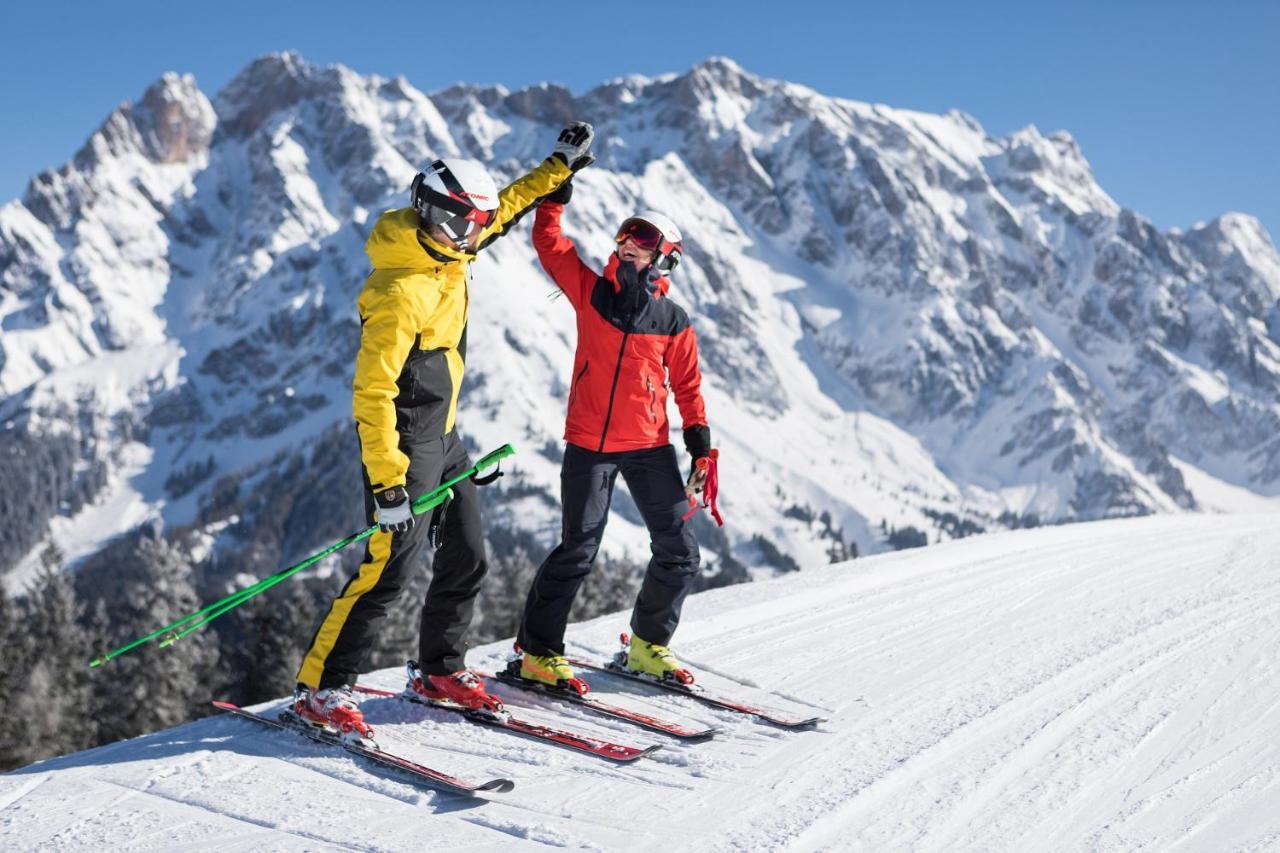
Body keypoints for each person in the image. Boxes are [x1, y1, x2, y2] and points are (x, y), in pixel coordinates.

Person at [292, 122, 596, 737]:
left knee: (468, 555)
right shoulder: (400, 288)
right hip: (402, 444)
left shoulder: (451, 248)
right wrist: (387, 486)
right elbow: (371, 393)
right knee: (390, 570)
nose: (472, 236)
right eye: (462, 223)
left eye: (476, 225)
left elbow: (507, 205)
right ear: (428, 211)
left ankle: (440, 667)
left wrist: (557, 168)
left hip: (445, 433)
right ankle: (321, 690)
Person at [515, 175, 715, 695]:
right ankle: (537, 653)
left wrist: (701, 449)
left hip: (649, 447)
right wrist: (556, 195)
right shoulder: (592, 293)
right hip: (589, 445)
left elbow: (688, 386)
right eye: (626, 234)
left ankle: (647, 646)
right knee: (578, 549)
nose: (628, 243)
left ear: (664, 257)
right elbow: (550, 245)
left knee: (680, 551)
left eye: (643, 239)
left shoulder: (672, 320)